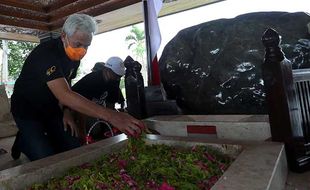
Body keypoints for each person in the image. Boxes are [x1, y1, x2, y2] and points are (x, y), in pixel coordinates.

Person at [10, 13, 144, 161]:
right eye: (78, 44)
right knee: (45, 159)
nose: (82, 50)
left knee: (74, 148)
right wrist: (112, 115)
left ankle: (38, 136)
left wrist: (66, 111)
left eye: (86, 45)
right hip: (27, 110)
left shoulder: (74, 58)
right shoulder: (46, 54)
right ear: (63, 36)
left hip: (51, 108)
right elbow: (64, 94)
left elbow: (67, 84)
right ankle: (23, 139)